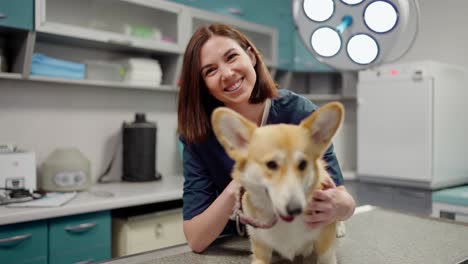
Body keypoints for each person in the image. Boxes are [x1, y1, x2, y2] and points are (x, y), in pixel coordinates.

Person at [177, 23, 356, 253]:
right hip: (242, 245)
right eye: (210, 71)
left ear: (251, 55)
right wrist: (241, 180)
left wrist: (342, 207)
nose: (227, 74)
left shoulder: (299, 113)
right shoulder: (198, 137)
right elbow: (196, 239)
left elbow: (343, 201)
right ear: (203, 86)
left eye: (231, 57)